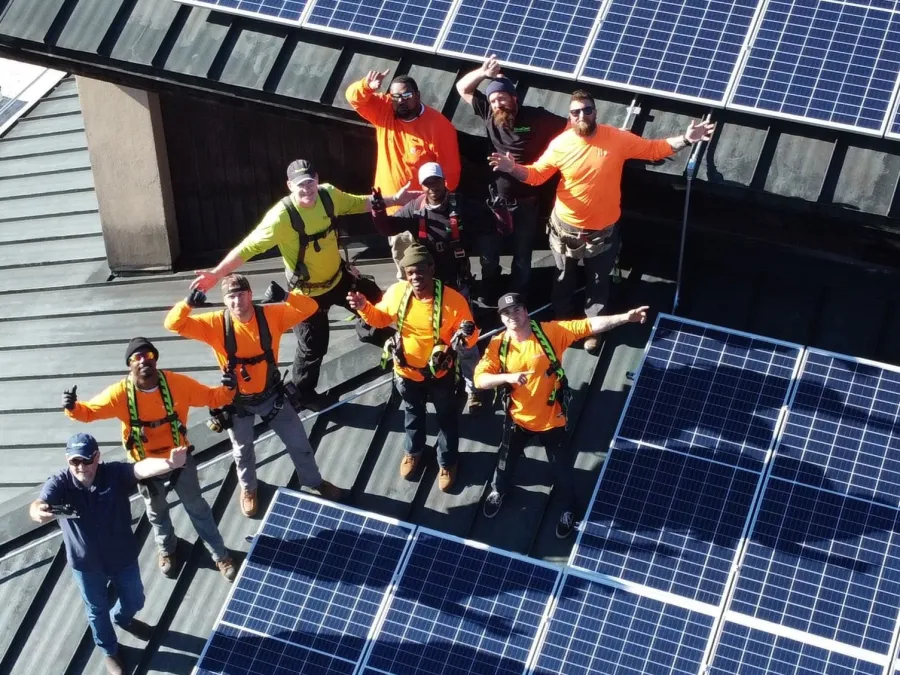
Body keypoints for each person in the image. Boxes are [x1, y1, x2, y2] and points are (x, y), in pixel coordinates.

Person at [489, 90, 713, 352]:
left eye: (587, 110)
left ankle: (594, 328)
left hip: (602, 232)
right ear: (570, 117)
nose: (581, 115)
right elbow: (537, 175)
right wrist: (512, 168)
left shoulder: (616, 138)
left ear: (595, 112)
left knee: (598, 281)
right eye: (575, 112)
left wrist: (687, 138)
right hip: (565, 229)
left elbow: (654, 150)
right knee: (563, 278)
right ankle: (563, 324)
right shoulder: (561, 144)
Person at [189, 160, 410, 411]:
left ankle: (377, 337)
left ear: (317, 179)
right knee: (313, 346)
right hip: (307, 293)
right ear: (289, 186)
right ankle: (303, 393)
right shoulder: (281, 218)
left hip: (338, 278)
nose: (306, 189)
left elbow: (358, 203)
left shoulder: (329, 195)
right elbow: (248, 247)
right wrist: (217, 274)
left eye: (309, 182)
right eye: (299, 185)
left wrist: (394, 201)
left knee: (374, 301)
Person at [165, 273, 342, 518]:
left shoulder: (272, 315)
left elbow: (310, 307)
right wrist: (188, 304)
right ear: (225, 301)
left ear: (250, 295)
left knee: (299, 443)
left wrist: (286, 297)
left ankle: (314, 482)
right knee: (242, 452)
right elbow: (172, 324)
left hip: (272, 396)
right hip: (238, 402)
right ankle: (248, 490)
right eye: (231, 297)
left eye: (241, 295)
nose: (237, 301)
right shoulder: (215, 323)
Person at [474, 293, 648, 538]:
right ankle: (498, 491)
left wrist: (626, 318)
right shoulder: (498, 345)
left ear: (526, 312)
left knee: (561, 470)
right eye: (507, 313)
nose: (513, 316)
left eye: (517, 310)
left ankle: (568, 509)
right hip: (517, 419)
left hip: (551, 420)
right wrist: (508, 378)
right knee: (504, 462)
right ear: (502, 319)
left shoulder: (550, 333)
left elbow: (588, 325)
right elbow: (480, 380)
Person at [63, 339, 237, 581]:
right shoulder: (120, 394)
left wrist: (229, 389)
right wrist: (73, 408)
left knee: (197, 508)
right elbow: (90, 411)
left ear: (155, 359)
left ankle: (220, 554)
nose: (143, 360)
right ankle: (167, 548)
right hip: (145, 465)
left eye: (148, 355)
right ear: (129, 366)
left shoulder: (177, 384)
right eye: (137, 358)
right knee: (156, 512)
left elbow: (212, 397)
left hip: (179, 459)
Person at [30, 434, 186, 674]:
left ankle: (122, 618)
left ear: (97, 458)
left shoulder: (113, 474)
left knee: (135, 599)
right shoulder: (60, 483)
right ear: (68, 461)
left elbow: (140, 469)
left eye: (86, 460)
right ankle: (109, 651)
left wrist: (170, 463)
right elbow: (38, 504)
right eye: (74, 462)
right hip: (86, 565)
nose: (81, 467)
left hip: (122, 557)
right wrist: (39, 511)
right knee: (96, 610)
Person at [347, 244, 478, 492]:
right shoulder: (398, 293)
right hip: (406, 372)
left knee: (446, 418)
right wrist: (364, 306)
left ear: (431, 269)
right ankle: (414, 450)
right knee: (412, 413)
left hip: (440, 374)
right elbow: (380, 319)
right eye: (410, 273)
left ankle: (448, 461)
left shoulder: (453, 301)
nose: (415, 278)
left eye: (420, 271)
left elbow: (467, 340)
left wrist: (468, 332)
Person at [371, 161, 495, 413]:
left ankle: (474, 389)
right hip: (425, 290)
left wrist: (502, 212)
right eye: (427, 183)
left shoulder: (461, 206)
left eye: (436, 181)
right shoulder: (415, 210)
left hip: (455, 287)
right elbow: (388, 227)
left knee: (465, 341)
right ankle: (429, 378)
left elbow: (490, 222)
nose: (432, 187)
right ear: (422, 185)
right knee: (424, 337)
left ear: (443, 181)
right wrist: (378, 210)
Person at [456, 55, 566, 297]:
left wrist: (606, 134)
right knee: (488, 255)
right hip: (495, 202)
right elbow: (462, 88)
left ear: (514, 98)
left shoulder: (536, 118)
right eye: (493, 100)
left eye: (501, 98)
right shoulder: (488, 113)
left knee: (523, 256)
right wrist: (484, 73)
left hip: (527, 203)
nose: (497, 104)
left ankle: (518, 297)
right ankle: (489, 292)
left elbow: (573, 128)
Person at [346, 70, 461, 273]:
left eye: (406, 96)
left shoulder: (440, 126)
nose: (401, 101)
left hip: (426, 213)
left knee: (436, 264)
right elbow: (353, 98)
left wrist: (437, 206)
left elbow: (451, 174)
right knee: (406, 268)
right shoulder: (384, 112)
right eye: (396, 97)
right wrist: (367, 86)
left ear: (417, 95)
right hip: (395, 210)